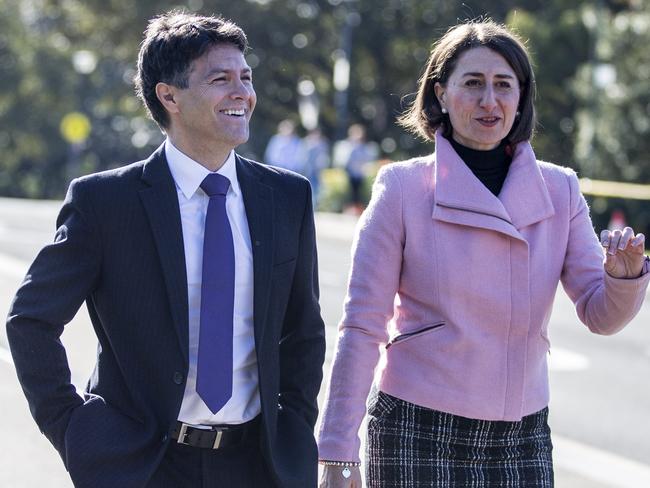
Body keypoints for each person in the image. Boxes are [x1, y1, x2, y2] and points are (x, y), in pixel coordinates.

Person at [317, 20, 650, 488]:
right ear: (440, 94)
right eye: (472, 84)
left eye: (503, 85)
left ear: (521, 96)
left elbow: (601, 316)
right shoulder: (402, 188)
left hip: (522, 435)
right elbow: (362, 325)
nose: (489, 101)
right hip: (415, 427)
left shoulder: (561, 189)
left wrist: (624, 277)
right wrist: (337, 450)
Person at [6, 10, 325, 488]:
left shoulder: (287, 197)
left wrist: (295, 424)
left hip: (258, 464)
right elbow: (31, 319)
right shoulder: (104, 202)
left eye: (246, 77)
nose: (242, 92)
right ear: (168, 95)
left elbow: (303, 331)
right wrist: (73, 427)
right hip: (142, 466)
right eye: (220, 79)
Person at [333, 124, 378, 214]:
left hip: (359, 173)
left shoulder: (363, 147)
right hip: (350, 173)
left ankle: (356, 209)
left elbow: (367, 158)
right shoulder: (347, 145)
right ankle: (350, 209)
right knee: (351, 192)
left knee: (358, 193)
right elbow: (345, 159)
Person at [301, 128, 330, 208]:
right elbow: (303, 156)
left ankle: (314, 205)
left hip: (318, 170)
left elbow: (324, 156)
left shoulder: (322, 143)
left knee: (317, 188)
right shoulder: (306, 142)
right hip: (308, 169)